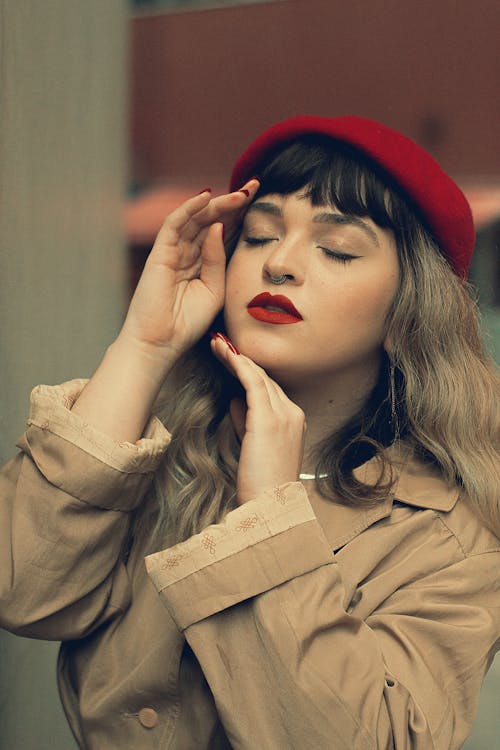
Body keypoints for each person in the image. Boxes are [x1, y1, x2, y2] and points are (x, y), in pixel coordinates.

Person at [0, 115, 498, 750]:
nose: (281, 263)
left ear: (410, 310)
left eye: (337, 249)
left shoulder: (451, 535)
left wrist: (268, 515)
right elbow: (26, 595)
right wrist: (144, 344)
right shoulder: (155, 449)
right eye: (259, 236)